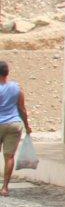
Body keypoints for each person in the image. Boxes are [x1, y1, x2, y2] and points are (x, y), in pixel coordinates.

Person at [0, 61, 32, 197]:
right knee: (9, 156)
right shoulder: (16, 88)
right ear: (7, 72)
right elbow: (22, 109)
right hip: (14, 124)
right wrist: (27, 126)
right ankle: (5, 188)